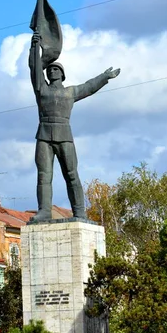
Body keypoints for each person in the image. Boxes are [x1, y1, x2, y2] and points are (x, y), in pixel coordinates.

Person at [29, 30, 120, 222]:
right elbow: (34, 69)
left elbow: (89, 86)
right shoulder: (41, 89)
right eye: (50, 69)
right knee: (44, 176)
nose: (52, 71)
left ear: (62, 75)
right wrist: (34, 47)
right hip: (44, 136)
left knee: (71, 174)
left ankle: (79, 212)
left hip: (64, 136)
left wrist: (104, 77)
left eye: (56, 69)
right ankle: (44, 210)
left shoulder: (71, 92)